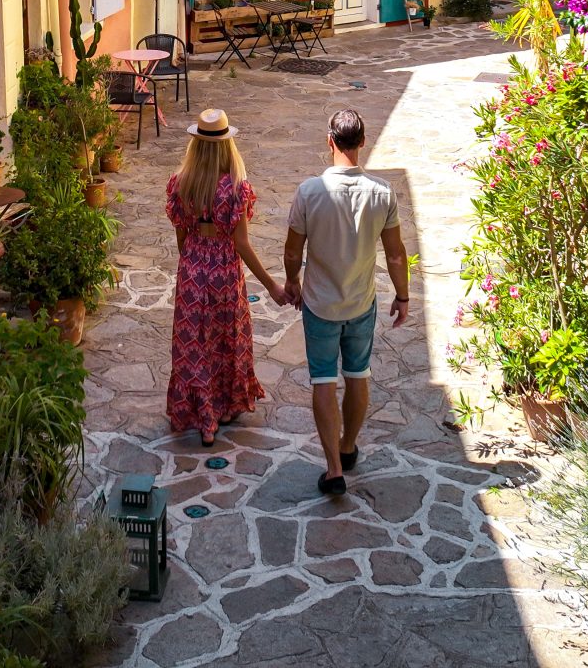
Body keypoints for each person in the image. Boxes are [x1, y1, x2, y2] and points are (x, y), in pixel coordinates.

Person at [283, 108, 411, 496]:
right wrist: (402, 294)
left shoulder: (309, 192)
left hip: (320, 303)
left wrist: (292, 281)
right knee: (358, 375)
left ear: (330, 141)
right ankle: (349, 446)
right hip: (360, 302)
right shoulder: (381, 193)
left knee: (323, 381)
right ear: (363, 142)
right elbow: (395, 254)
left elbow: (292, 250)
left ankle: (334, 469)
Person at [166, 108, 287, 447]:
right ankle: (226, 406)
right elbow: (241, 243)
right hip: (223, 272)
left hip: (192, 268)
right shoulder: (235, 189)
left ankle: (203, 418)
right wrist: (272, 285)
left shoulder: (181, 183)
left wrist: (192, 264)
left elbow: (181, 237)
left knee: (194, 345)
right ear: (226, 146)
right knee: (224, 340)